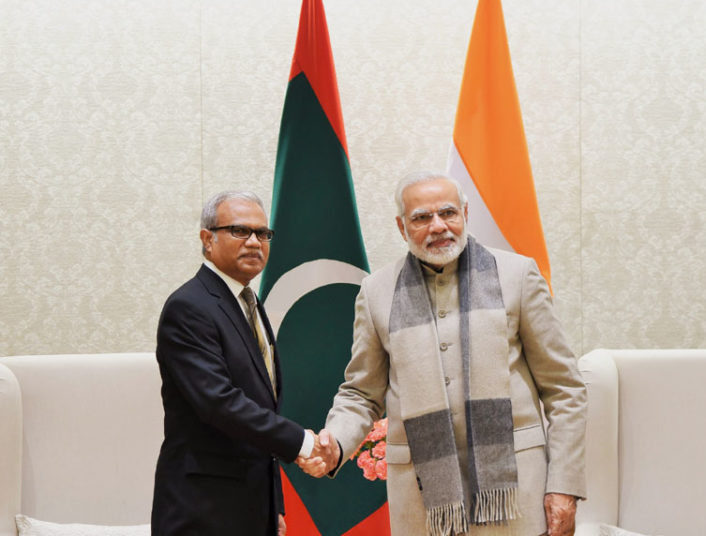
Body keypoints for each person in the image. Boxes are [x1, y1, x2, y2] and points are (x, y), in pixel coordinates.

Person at [300, 172, 587, 536]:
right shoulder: (376, 293)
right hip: (421, 501)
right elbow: (361, 393)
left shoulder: (517, 275)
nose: (438, 226)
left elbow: (565, 389)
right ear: (402, 228)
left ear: (465, 213)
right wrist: (336, 441)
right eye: (421, 218)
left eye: (448, 213)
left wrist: (564, 486)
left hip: (515, 490)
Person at [151, 191, 326, 536]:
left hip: (251, 507)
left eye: (262, 233)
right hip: (202, 510)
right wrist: (302, 443)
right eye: (239, 231)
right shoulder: (189, 307)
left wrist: (273, 504)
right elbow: (219, 403)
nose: (254, 242)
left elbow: (263, 403)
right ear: (207, 239)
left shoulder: (248, 301)